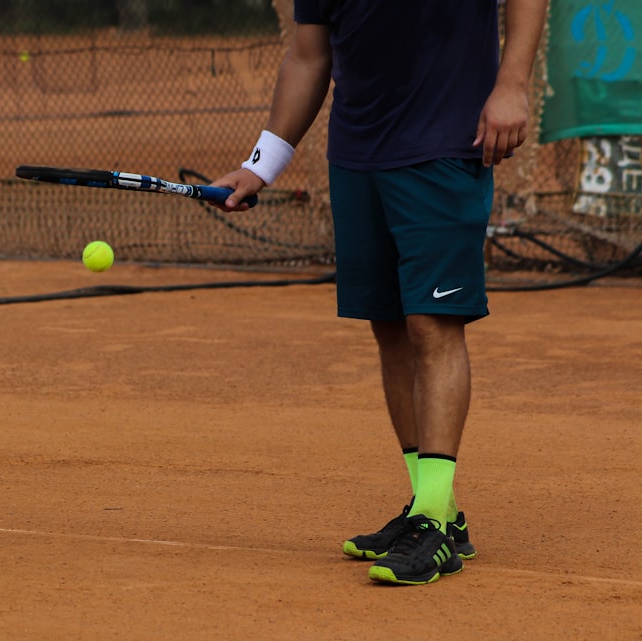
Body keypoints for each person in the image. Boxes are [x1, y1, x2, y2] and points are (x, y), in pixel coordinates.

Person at [211, 0, 548, 585]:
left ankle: (434, 529)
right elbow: (309, 55)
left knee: (432, 324)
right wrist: (262, 164)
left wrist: (512, 84)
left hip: (445, 146)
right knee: (389, 326)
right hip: (357, 153)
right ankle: (433, 509)